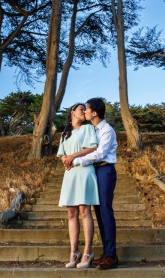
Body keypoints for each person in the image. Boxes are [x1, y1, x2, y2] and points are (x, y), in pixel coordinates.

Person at [66, 98, 119, 270]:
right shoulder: (92, 130)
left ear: (94, 113)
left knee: (105, 211)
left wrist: (77, 160)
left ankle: (111, 255)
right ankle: (106, 253)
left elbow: (100, 153)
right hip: (94, 171)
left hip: (105, 170)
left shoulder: (107, 130)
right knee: (98, 213)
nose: (85, 112)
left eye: (87, 109)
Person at [57, 103, 99, 269]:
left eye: (85, 109)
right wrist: (65, 161)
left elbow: (92, 147)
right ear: (73, 112)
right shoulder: (65, 133)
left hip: (84, 171)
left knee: (84, 210)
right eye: (81, 109)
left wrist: (73, 156)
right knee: (71, 212)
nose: (84, 111)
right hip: (70, 173)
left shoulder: (88, 128)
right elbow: (62, 154)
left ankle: (88, 252)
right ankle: (74, 252)